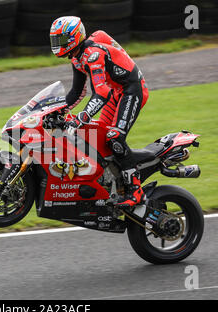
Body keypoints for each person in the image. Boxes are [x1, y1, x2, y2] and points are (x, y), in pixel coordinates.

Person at [49, 16, 149, 208]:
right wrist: (55, 111)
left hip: (131, 90)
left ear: (73, 37)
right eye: (55, 40)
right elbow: (77, 92)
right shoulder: (77, 58)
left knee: (114, 137)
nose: (56, 45)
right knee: (98, 137)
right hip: (115, 92)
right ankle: (113, 182)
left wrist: (83, 116)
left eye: (60, 40)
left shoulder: (93, 55)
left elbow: (100, 92)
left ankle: (136, 191)